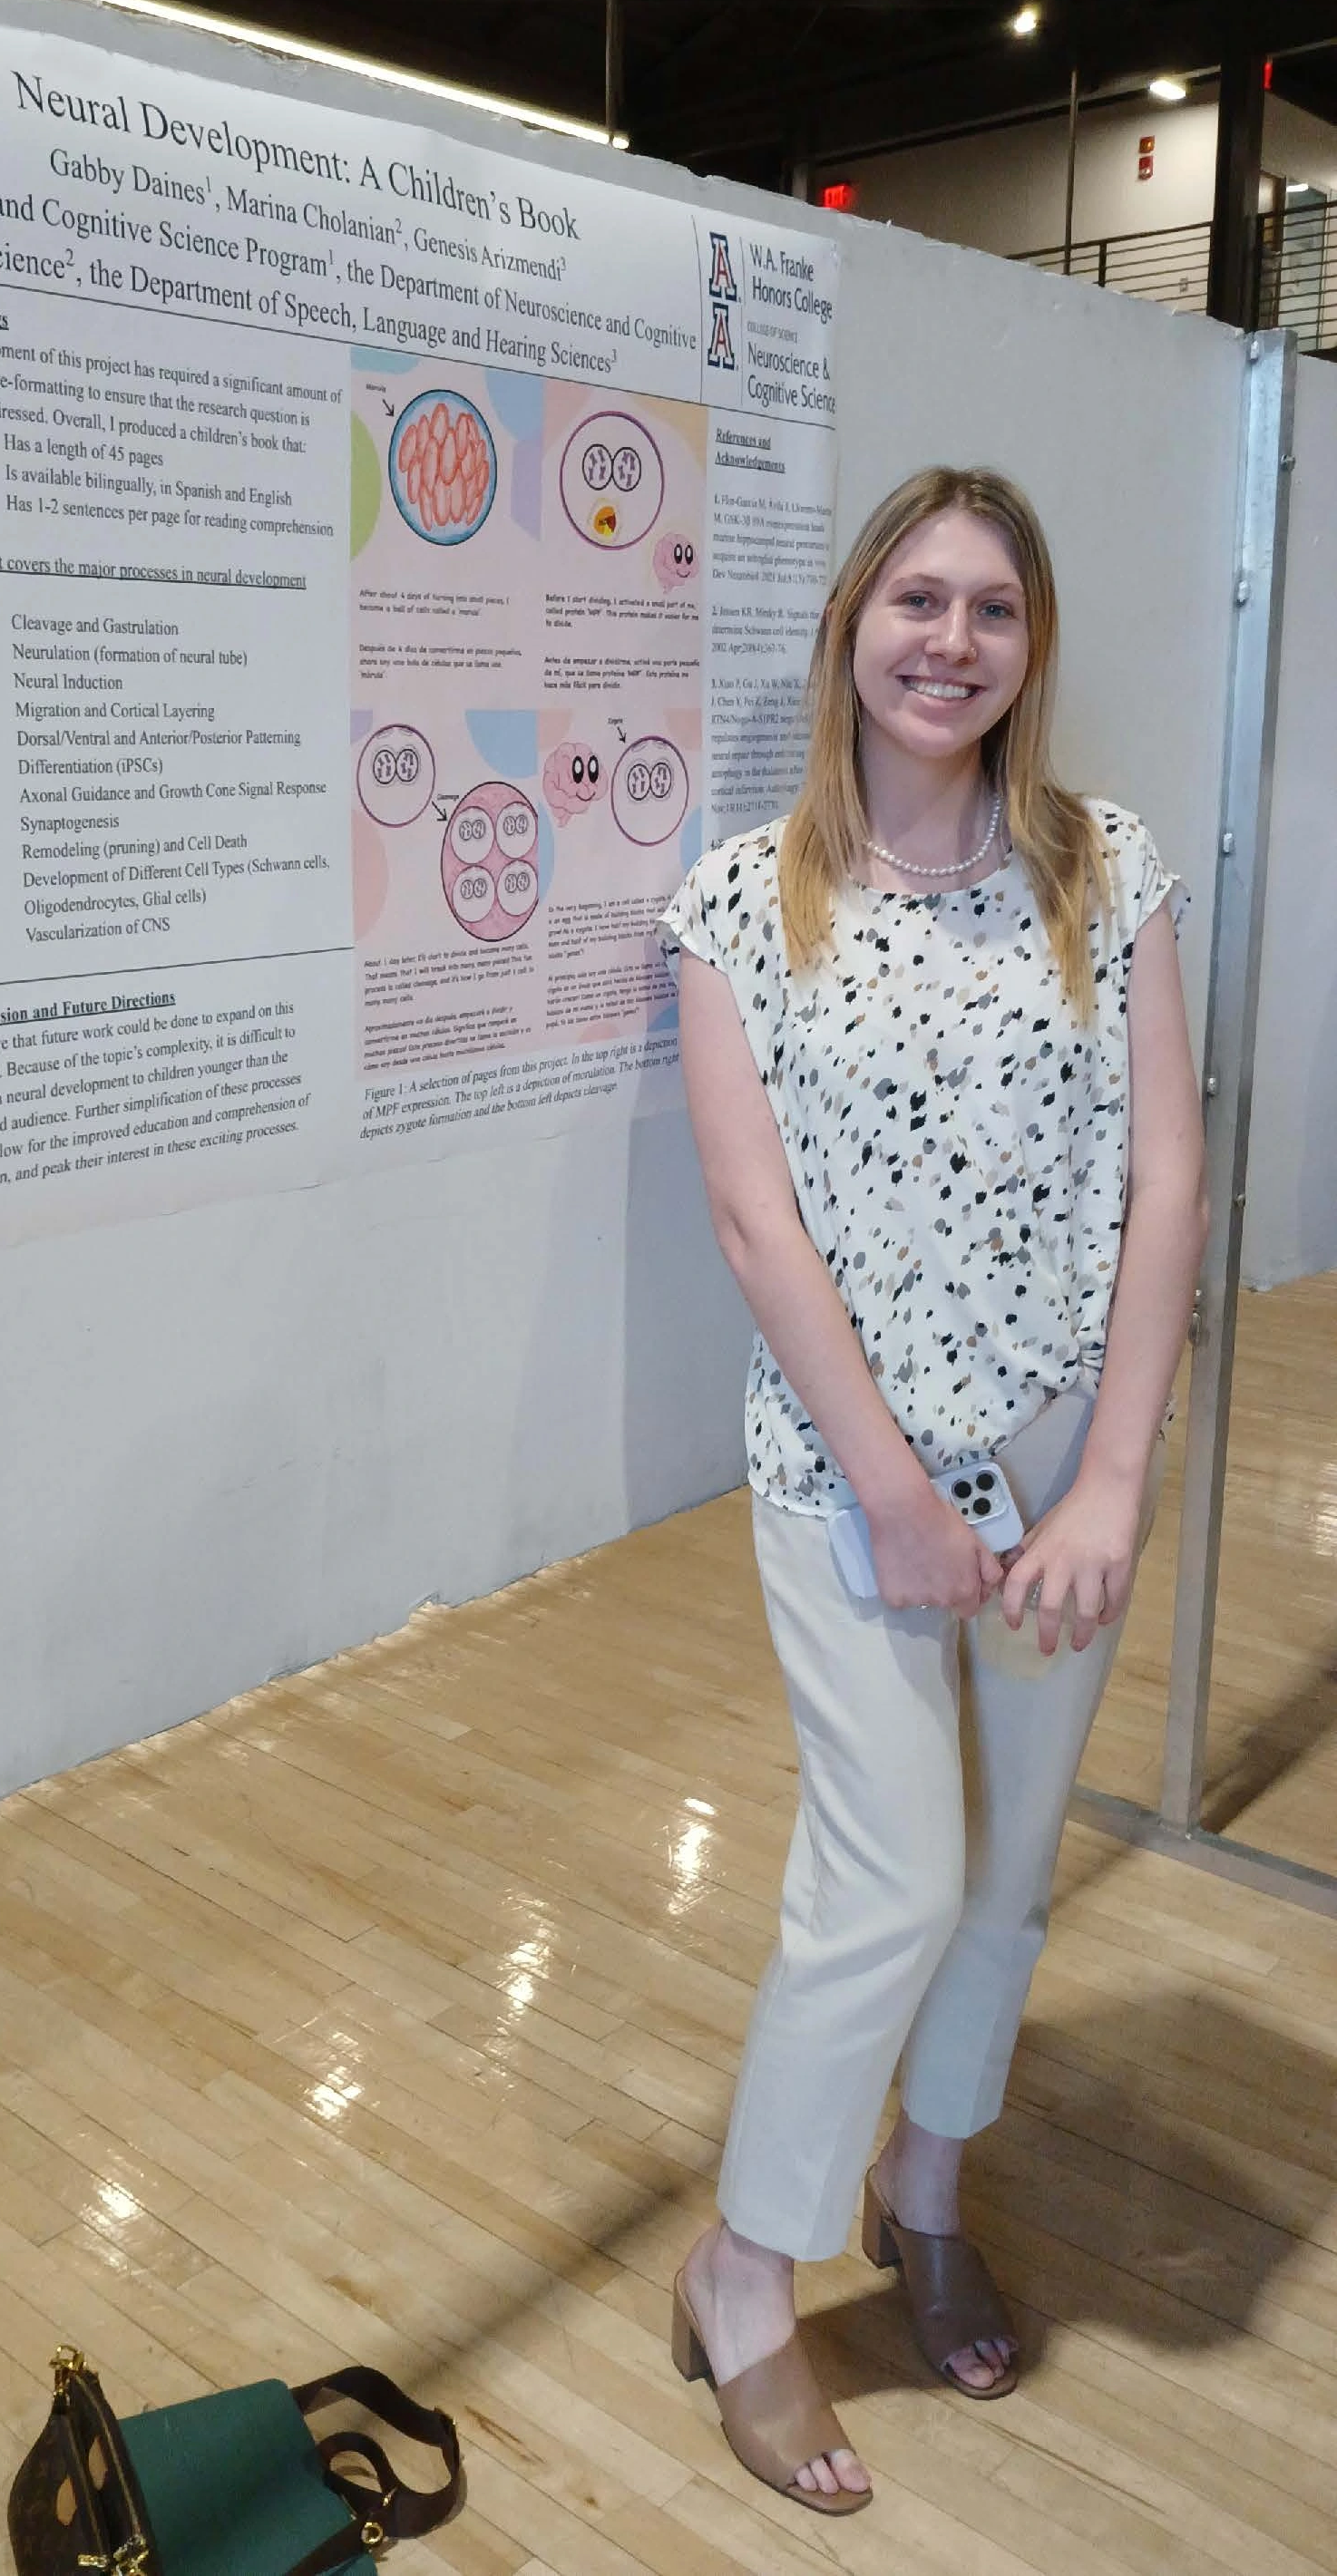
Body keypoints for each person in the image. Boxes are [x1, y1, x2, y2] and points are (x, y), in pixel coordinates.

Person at [658, 466, 1206, 2514]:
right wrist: (891, 1487)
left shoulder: (1103, 866)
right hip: (843, 1472)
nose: (947, 641)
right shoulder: (745, 896)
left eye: (988, 607)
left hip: (1067, 1452)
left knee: (1003, 1875)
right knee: (879, 1882)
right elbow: (749, 1223)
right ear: (850, 629)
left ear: (1029, 646)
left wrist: (1117, 1486)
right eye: (914, 599)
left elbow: (1165, 1178)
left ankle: (926, 2182)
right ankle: (740, 2272)